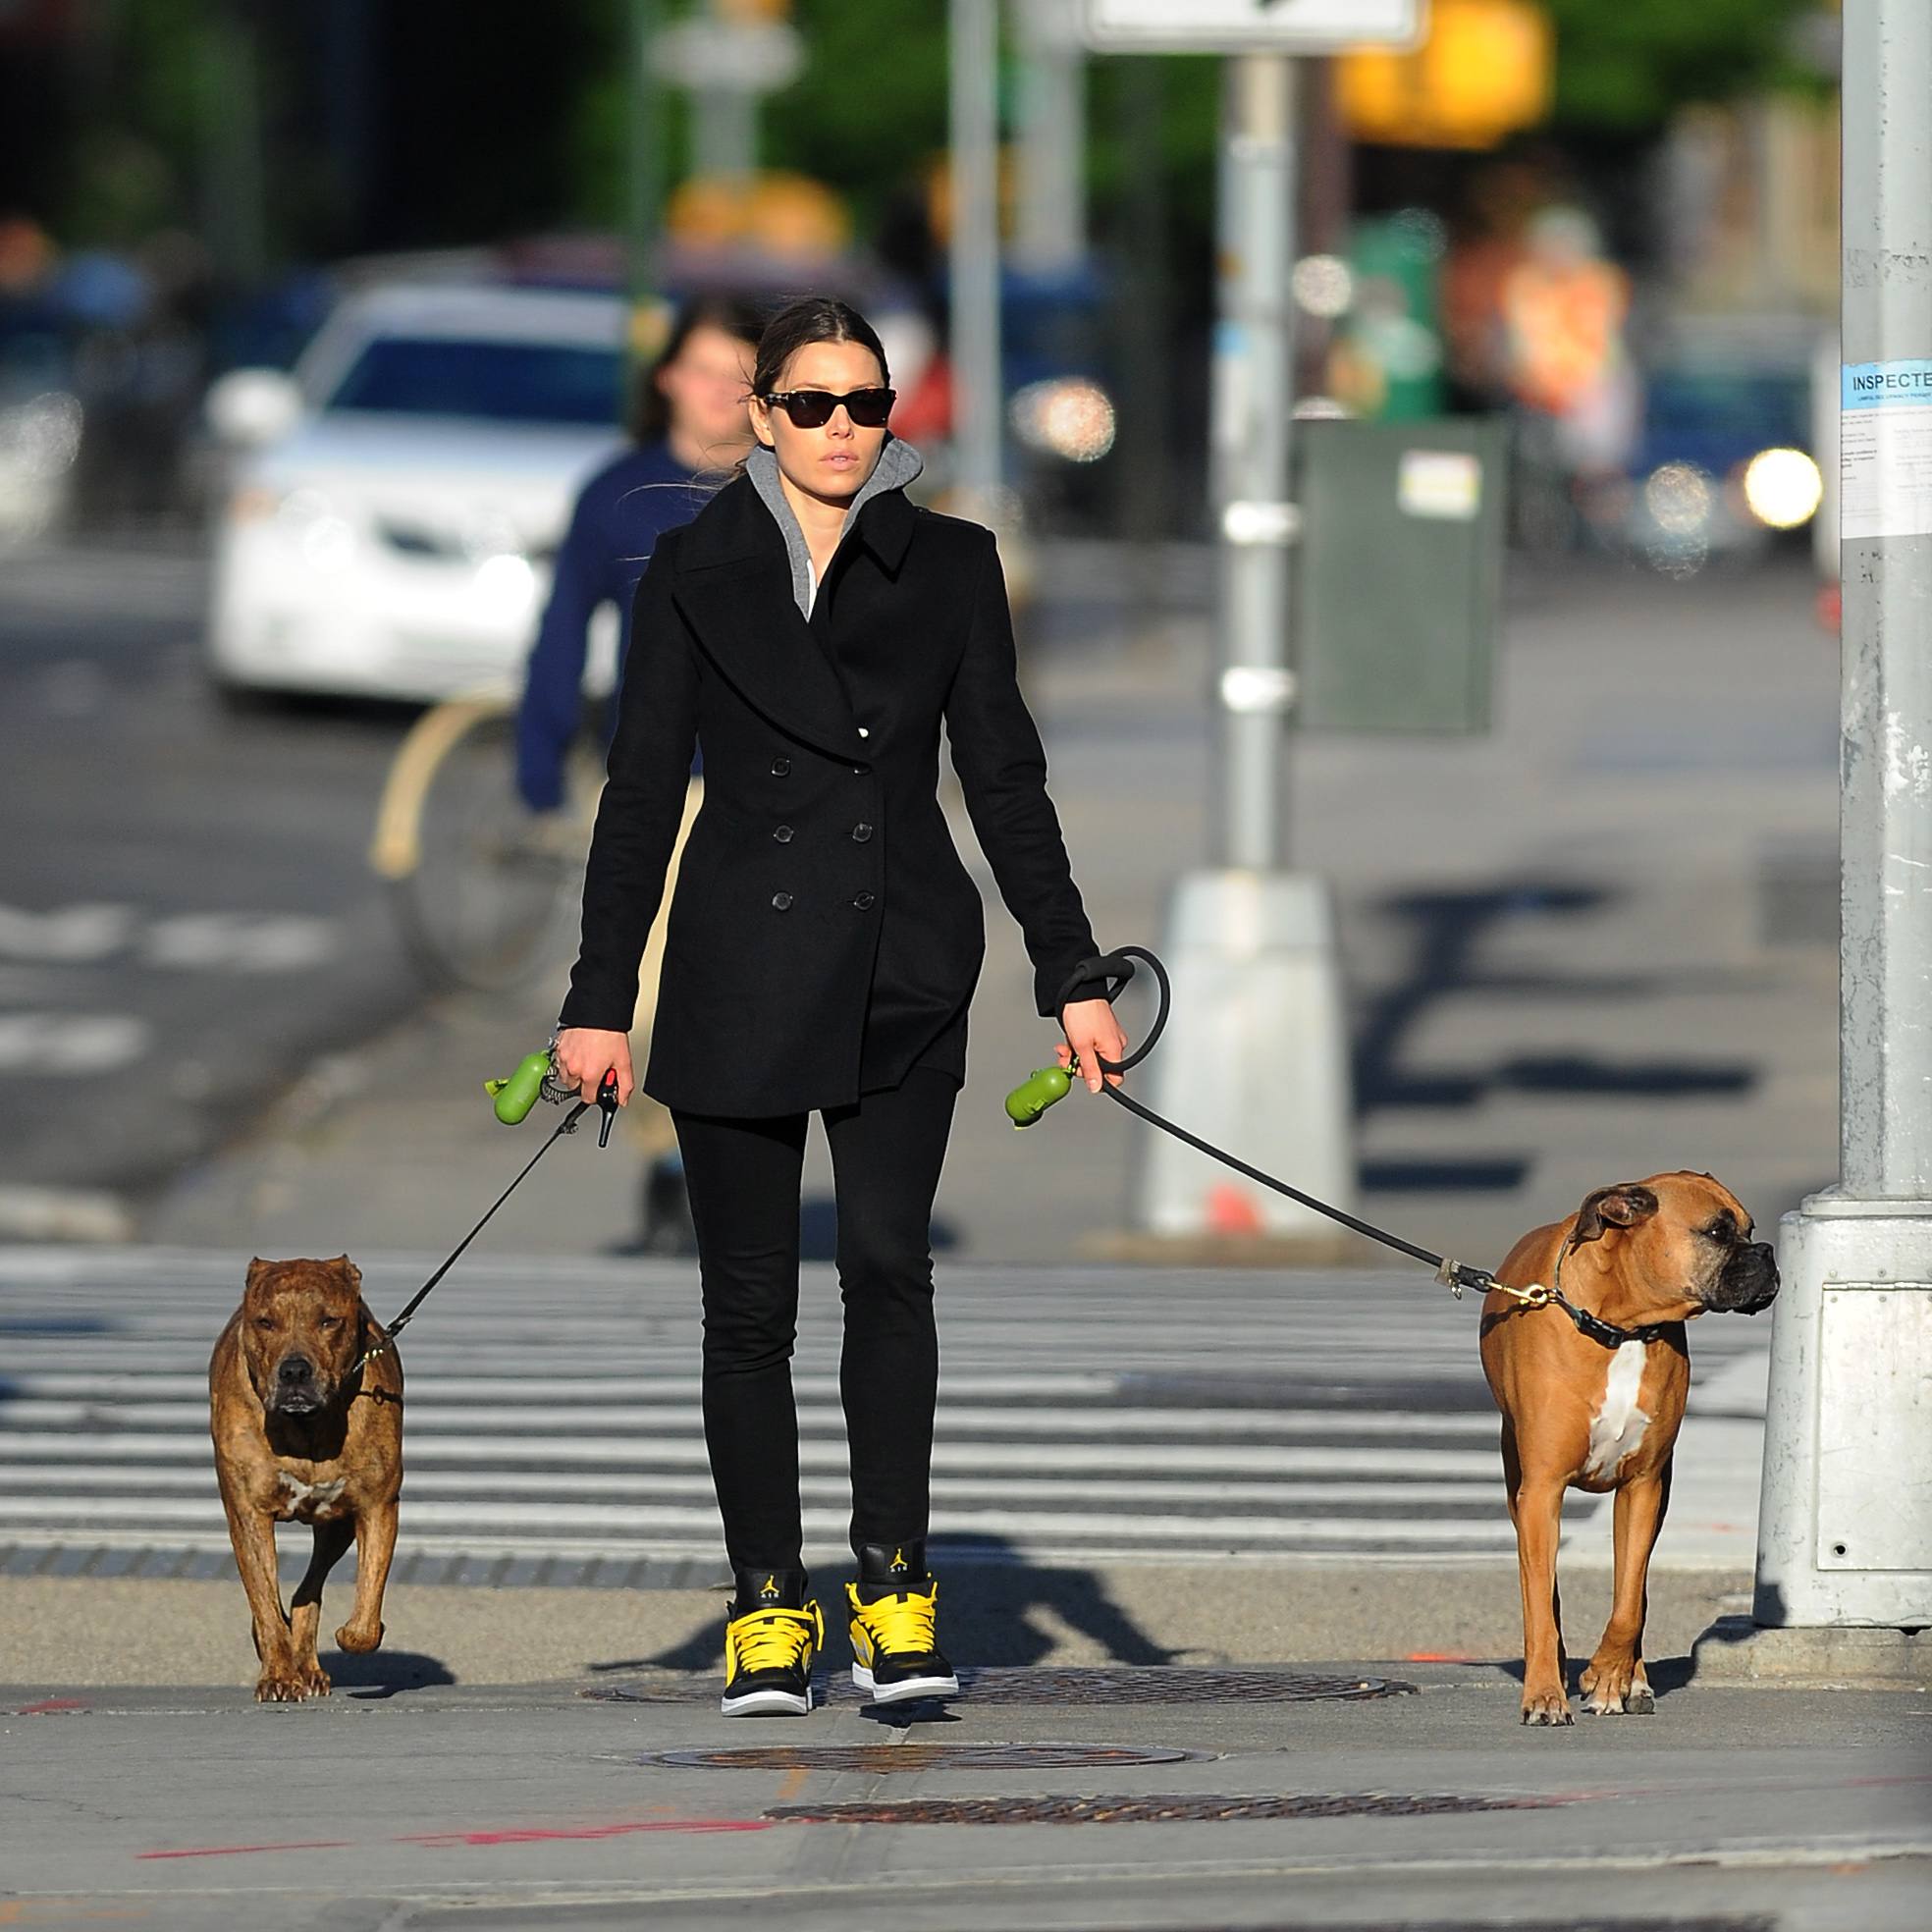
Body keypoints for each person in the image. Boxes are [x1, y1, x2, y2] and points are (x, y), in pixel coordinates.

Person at [552, 295, 1127, 1716]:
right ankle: (766, 1604)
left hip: (904, 962)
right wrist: (597, 1002)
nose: (839, 432)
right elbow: (636, 796)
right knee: (745, 1310)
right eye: (809, 404)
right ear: (757, 414)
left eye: (865, 405)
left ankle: (894, 1586)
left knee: (887, 1269)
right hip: (740, 959)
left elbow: (1002, 776)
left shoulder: (950, 564)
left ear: (894, 418)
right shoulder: (690, 568)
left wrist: (1073, 973)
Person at [515, 294, 763, 1253]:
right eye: (706, 372)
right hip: (655, 788)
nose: (723, 394)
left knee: (744, 997)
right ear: (667, 379)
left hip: (771, 793)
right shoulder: (616, 492)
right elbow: (561, 632)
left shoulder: (795, 494)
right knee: (647, 1001)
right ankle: (673, 1163)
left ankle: (701, 1170)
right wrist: (539, 763)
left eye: (744, 378)